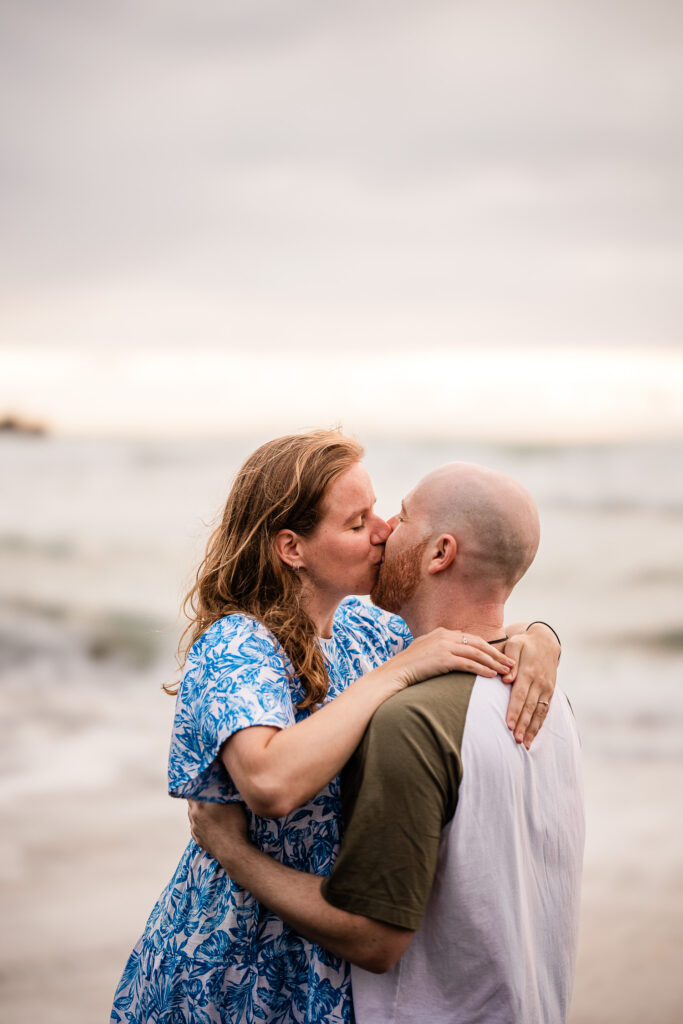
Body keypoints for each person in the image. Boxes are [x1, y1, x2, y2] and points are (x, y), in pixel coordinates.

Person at [111, 431, 561, 1024]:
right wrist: (394, 676)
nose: (382, 530)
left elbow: (472, 626)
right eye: (356, 524)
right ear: (292, 547)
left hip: (330, 956)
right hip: (230, 961)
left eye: (376, 510)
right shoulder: (237, 644)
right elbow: (269, 782)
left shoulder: (362, 630)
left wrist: (541, 640)